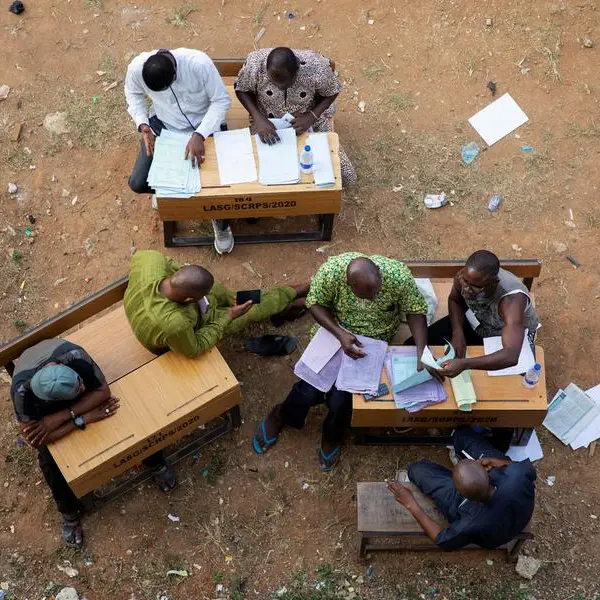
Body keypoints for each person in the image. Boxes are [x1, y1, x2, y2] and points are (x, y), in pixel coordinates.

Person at [253, 252, 438, 471]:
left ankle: (332, 434)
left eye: (376, 292)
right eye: (366, 296)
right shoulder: (332, 272)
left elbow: (415, 309)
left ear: (379, 273)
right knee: (308, 389)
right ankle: (281, 413)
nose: (373, 298)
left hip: (373, 342)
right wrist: (340, 334)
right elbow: (314, 303)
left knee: (342, 400)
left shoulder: (398, 275)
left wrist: (422, 351)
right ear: (349, 285)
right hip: (334, 333)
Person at [10, 339, 177, 547]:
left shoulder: (75, 358)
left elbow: (102, 392)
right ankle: (69, 512)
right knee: (50, 463)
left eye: (80, 383)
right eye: (77, 389)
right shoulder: (21, 394)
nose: (82, 387)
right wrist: (83, 418)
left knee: (126, 416)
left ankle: (155, 461)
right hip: (64, 412)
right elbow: (39, 439)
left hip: (66, 412)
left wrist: (61, 418)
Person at [124, 48, 235, 254]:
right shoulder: (136, 68)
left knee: (218, 186)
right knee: (138, 183)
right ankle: (169, 193)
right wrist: (142, 123)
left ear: (175, 74)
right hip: (165, 128)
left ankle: (220, 222)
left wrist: (200, 134)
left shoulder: (198, 64)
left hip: (205, 127)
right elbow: (133, 95)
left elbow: (221, 101)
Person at [124, 250, 309, 357]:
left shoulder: (150, 259)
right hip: (180, 339)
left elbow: (176, 265)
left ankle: (286, 301)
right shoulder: (175, 324)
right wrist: (229, 316)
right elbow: (194, 348)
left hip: (182, 311)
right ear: (189, 300)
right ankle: (293, 295)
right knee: (249, 312)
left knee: (225, 294)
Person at [387, 427, 536, 551]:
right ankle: (466, 461)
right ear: (488, 473)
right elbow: (521, 467)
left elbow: (442, 540)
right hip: (518, 514)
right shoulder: (517, 477)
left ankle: (451, 475)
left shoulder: (469, 523)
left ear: (461, 494)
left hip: (494, 535)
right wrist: (494, 461)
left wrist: (410, 504)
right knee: (461, 435)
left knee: (417, 470)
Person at [235, 46, 357, 186]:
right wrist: (258, 119)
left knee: (348, 177)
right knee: (255, 174)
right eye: (274, 81)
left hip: (310, 120)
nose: (280, 87)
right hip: (267, 124)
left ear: (298, 68)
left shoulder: (316, 67)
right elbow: (241, 89)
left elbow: (332, 91)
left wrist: (311, 116)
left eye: (286, 83)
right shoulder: (255, 64)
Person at [416, 249, 540, 379]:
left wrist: (465, 364)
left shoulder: (512, 301)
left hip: (506, 335)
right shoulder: (465, 277)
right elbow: (455, 300)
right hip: (478, 321)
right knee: (412, 345)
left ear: (494, 283)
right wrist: (457, 332)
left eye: (475, 287)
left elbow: (511, 355)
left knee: (514, 384)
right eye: (465, 282)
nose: (467, 289)